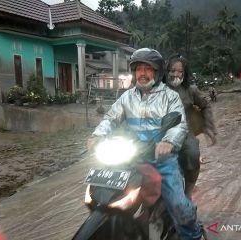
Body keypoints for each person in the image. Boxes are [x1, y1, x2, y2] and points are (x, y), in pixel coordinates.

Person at [87, 48, 203, 240]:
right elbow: (111, 117)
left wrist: (167, 141)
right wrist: (97, 135)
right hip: (132, 155)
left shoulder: (170, 96)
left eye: (147, 69)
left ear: (157, 73)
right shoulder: (127, 97)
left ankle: (193, 234)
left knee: (178, 204)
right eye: (138, 69)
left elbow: (180, 124)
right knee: (102, 193)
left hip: (162, 158)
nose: (142, 73)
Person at [163, 54, 217, 199]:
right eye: (173, 70)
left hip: (184, 132)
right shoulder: (157, 89)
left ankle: (188, 192)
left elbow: (205, 105)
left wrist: (208, 127)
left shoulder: (191, 90)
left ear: (185, 74)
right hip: (159, 132)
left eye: (180, 71)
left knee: (193, 154)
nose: (176, 74)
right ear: (166, 71)